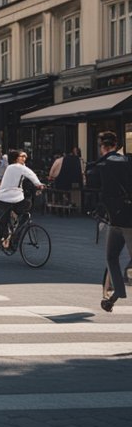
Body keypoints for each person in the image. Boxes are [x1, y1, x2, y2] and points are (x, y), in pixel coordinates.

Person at [90, 132, 132, 312]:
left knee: (111, 257)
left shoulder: (101, 164)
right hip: (129, 217)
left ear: (103, 147)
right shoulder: (127, 162)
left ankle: (118, 292)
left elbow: (93, 186)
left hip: (115, 218)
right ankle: (118, 289)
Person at [0, 149, 43, 248]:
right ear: (16, 158)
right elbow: (31, 175)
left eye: (25, 157)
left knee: (16, 213)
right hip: (7, 198)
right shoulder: (17, 167)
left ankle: (9, 237)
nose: (24, 158)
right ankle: (7, 239)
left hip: (6, 197)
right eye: (22, 156)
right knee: (25, 206)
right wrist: (39, 184)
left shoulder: (14, 167)